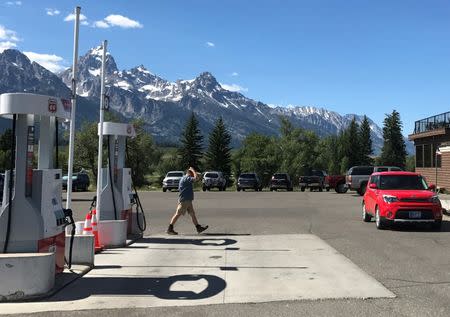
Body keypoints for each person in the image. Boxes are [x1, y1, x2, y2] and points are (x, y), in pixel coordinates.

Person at [167, 166, 208, 235]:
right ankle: (169, 229)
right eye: (192, 174)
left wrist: (194, 172)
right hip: (184, 200)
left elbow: (196, 178)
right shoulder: (187, 178)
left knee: (192, 214)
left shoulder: (185, 178)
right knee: (178, 214)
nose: (194, 175)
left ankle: (198, 228)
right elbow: (196, 178)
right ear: (190, 173)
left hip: (187, 200)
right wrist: (193, 170)